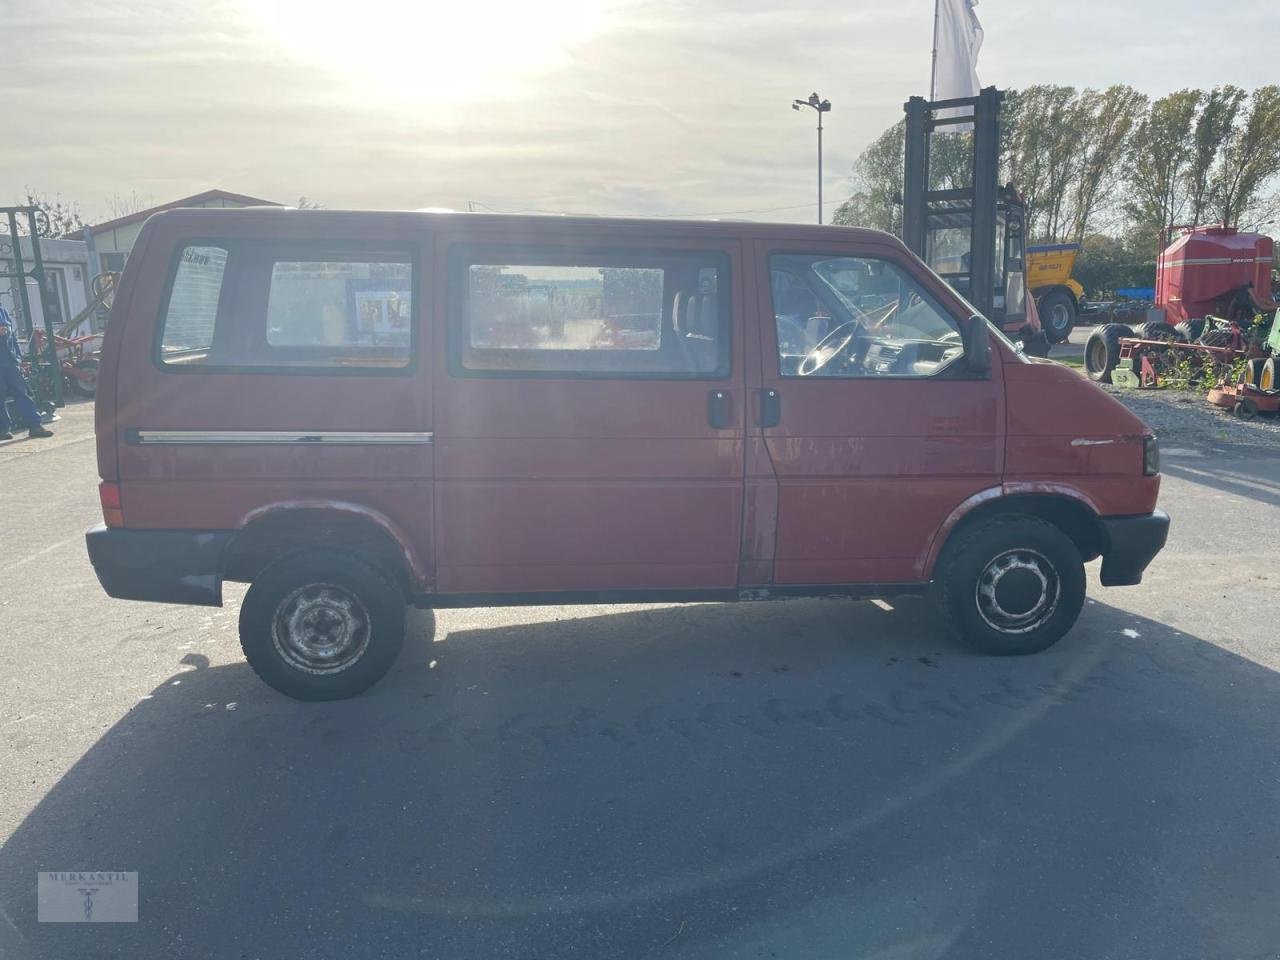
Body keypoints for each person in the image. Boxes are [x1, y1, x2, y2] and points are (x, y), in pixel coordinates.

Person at [0, 307, 53, 440]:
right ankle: (3, 430)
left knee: (23, 394)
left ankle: (35, 426)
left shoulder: (3, 311)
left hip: (10, 363)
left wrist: (18, 358)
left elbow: (12, 338)